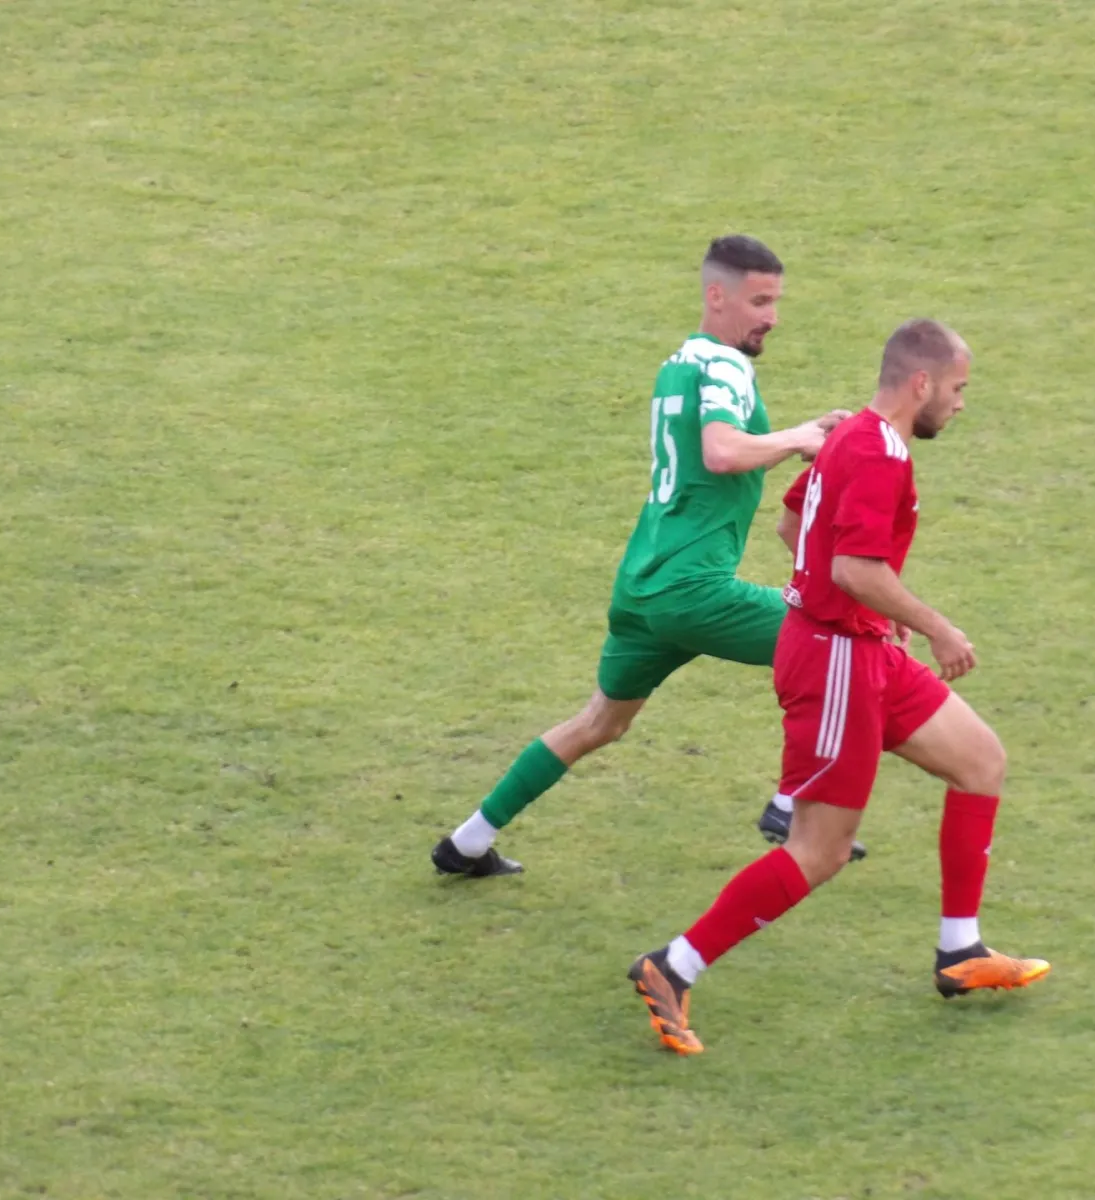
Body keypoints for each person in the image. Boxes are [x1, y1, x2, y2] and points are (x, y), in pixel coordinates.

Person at [628, 318, 1050, 1055]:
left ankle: (960, 951)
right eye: (956, 389)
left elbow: (794, 525)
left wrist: (868, 613)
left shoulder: (853, 433)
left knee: (981, 761)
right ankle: (673, 965)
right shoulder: (879, 454)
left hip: (862, 649)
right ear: (921, 383)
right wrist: (935, 626)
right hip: (835, 665)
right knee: (819, 849)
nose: (960, 404)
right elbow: (854, 568)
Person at [433, 235, 856, 878]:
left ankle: (466, 842)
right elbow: (722, 452)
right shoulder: (727, 366)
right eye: (759, 301)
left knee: (599, 723)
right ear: (717, 296)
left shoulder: (679, 364)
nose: (772, 316)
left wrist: (800, 435)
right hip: (692, 588)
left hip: (642, 584)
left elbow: (713, 459)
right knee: (839, 643)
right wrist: (797, 437)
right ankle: (787, 806)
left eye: (775, 301)